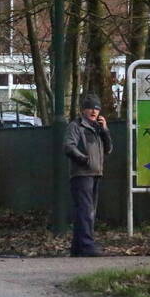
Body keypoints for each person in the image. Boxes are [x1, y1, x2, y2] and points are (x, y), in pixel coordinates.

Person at [64, 93, 113, 257]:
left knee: (85, 211)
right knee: (86, 210)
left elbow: (108, 149)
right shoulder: (76, 126)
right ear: (83, 110)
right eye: (90, 108)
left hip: (95, 173)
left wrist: (105, 130)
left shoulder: (98, 129)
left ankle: (78, 247)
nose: (94, 111)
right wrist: (83, 159)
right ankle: (86, 245)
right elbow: (69, 146)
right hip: (81, 174)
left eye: (97, 108)